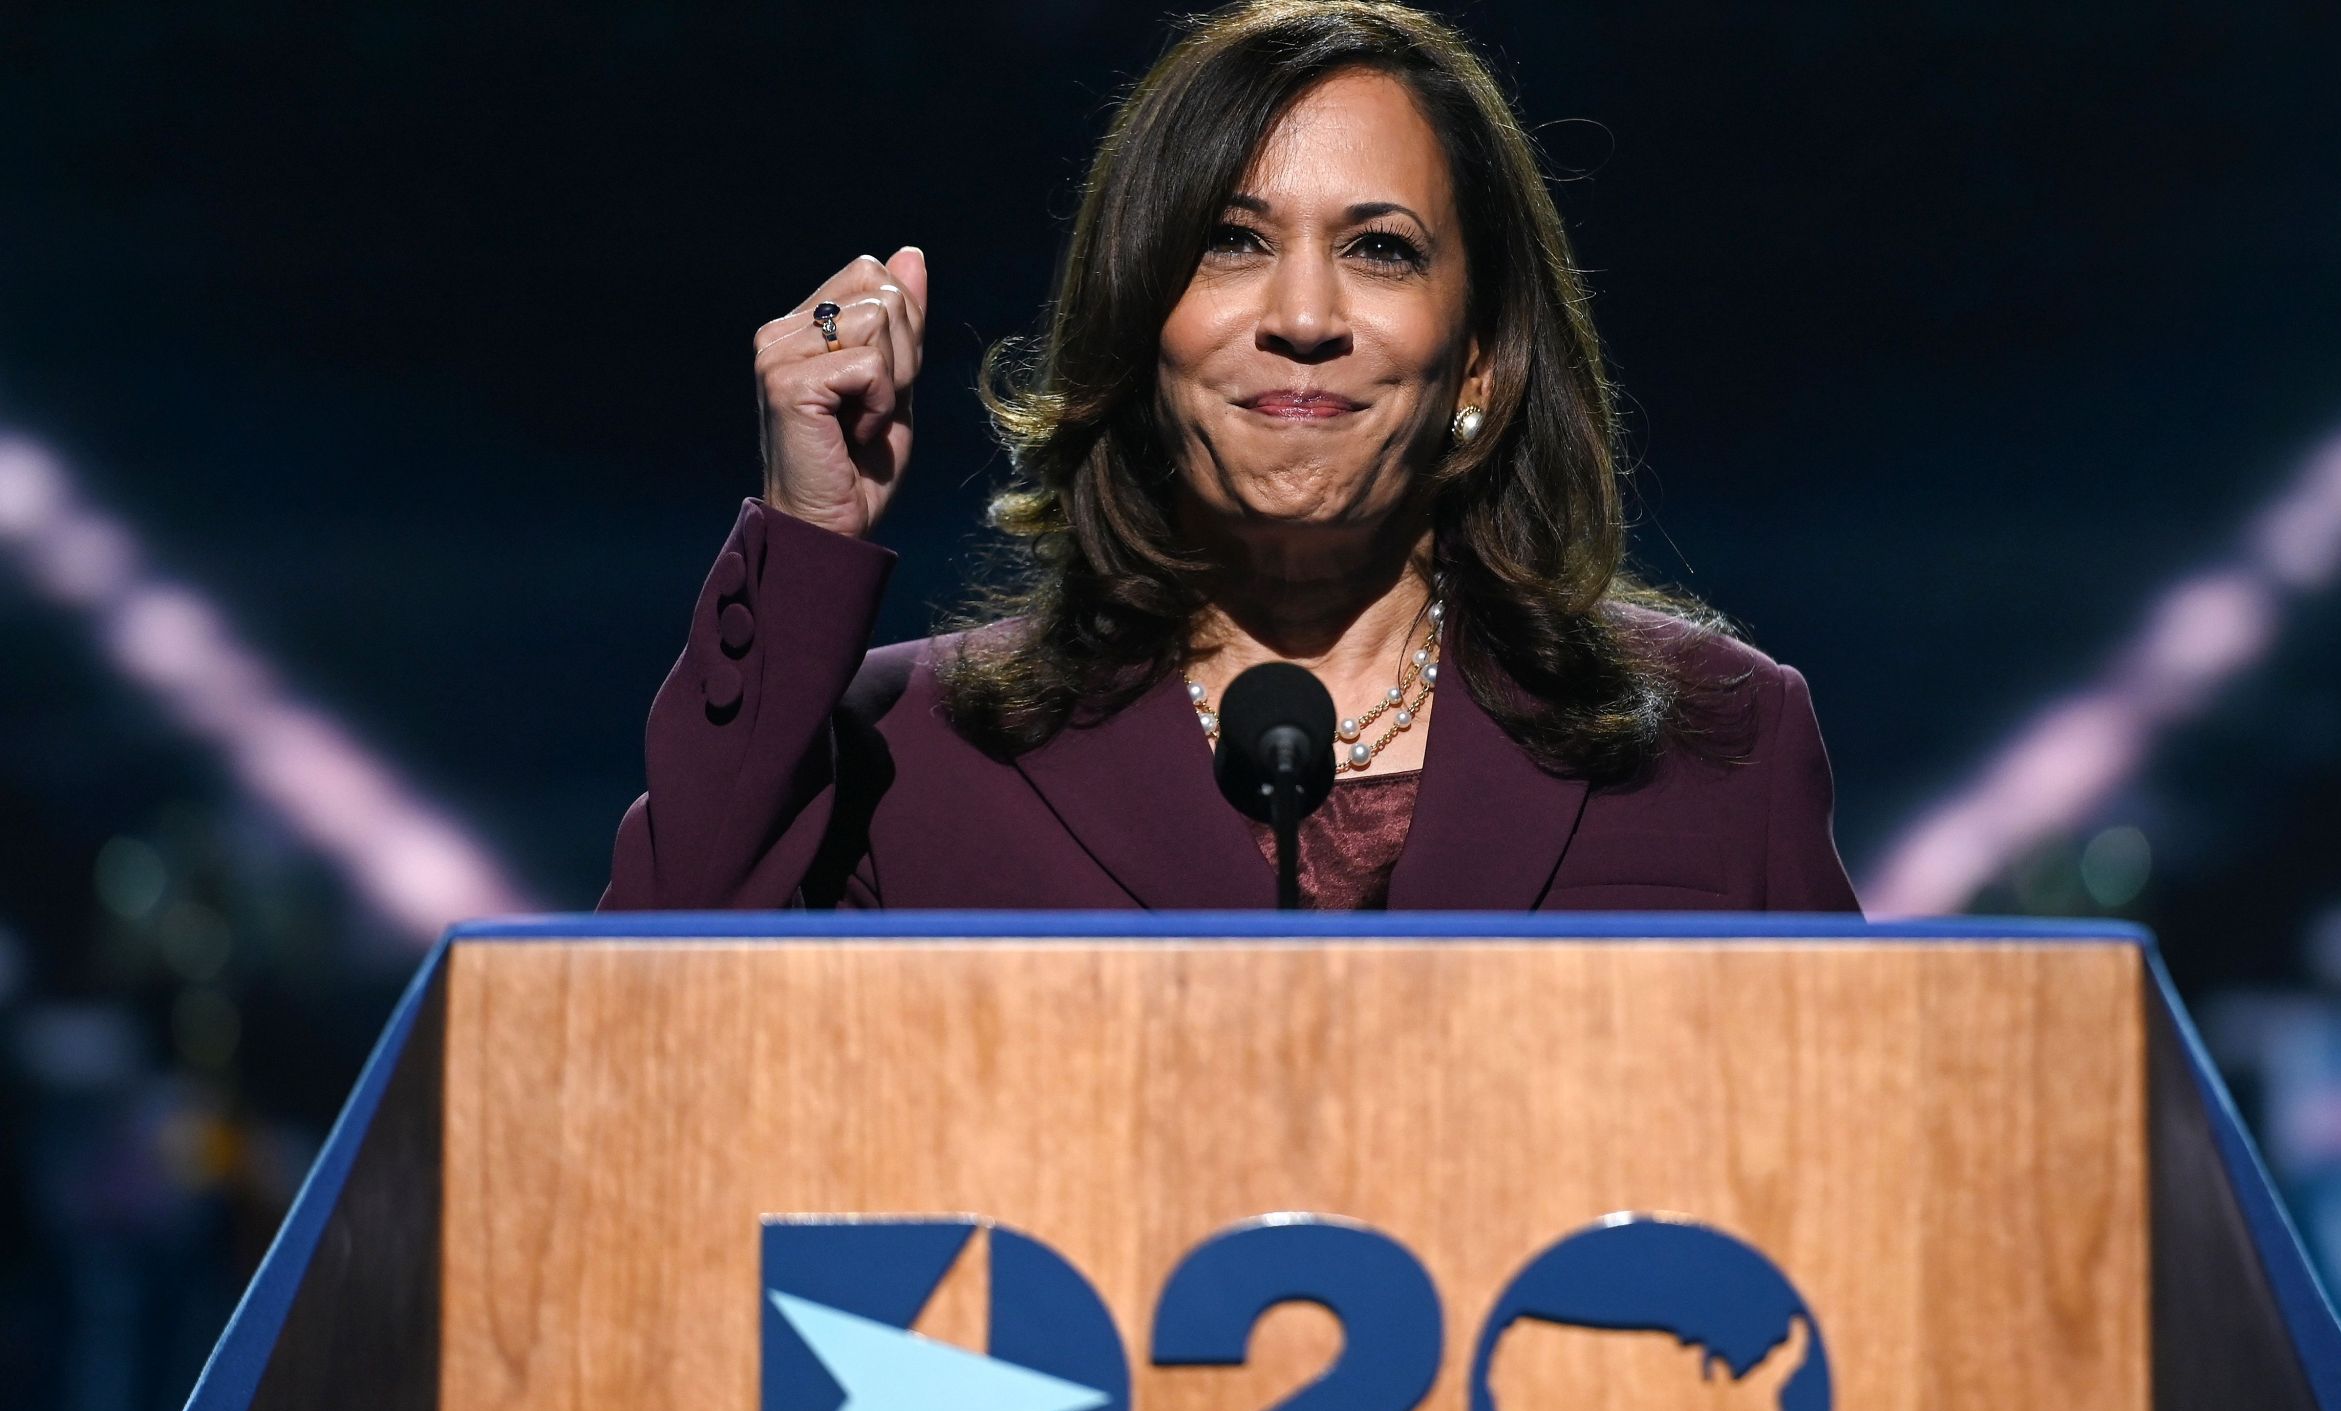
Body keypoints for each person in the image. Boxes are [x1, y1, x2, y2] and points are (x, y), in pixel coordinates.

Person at [601, 0, 1859, 914]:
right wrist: (807, 538)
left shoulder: (1720, 745)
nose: (1302, 318)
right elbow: (626, 1052)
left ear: (1480, 361)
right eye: (1230, 242)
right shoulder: (910, 754)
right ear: (1138, 329)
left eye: (1380, 249)